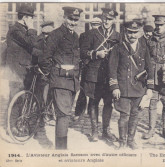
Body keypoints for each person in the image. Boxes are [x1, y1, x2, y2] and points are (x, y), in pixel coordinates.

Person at [39, 6, 83, 149]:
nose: (73, 22)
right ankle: (61, 151)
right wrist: (52, 75)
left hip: (71, 81)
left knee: (65, 114)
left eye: (76, 20)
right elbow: (45, 59)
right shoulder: (56, 34)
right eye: (70, 19)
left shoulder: (75, 36)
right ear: (64, 18)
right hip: (59, 80)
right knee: (64, 115)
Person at [77, 8, 121, 142]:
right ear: (102, 18)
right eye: (105, 18)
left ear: (113, 20)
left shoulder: (118, 36)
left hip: (109, 76)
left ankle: (106, 131)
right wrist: (96, 54)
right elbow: (82, 52)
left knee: (108, 103)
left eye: (110, 19)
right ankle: (94, 131)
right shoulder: (92, 34)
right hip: (94, 75)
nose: (107, 21)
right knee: (93, 102)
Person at [109, 21, 154, 149]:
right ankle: (122, 142)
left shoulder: (144, 47)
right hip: (123, 89)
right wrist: (114, 86)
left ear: (140, 33)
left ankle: (131, 140)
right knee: (124, 116)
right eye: (130, 32)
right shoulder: (118, 48)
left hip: (139, 88)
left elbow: (150, 68)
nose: (132, 35)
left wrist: (150, 88)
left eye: (135, 32)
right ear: (126, 32)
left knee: (135, 115)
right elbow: (112, 68)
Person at [5, 4, 39, 99]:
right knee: (17, 101)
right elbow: (31, 43)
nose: (32, 21)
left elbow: (31, 49)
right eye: (31, 18)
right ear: (25, 18)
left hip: (22, 71)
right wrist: (31, 28)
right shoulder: (15, 30)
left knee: (22, 100)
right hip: (16, 72)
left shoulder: (22, 30)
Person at [33, 21, 55, 144]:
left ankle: (49, 113)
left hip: (49, 73)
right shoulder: (39, 41)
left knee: (49, 96)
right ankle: (38, 126)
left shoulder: (53, 40)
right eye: (45, 33)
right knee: (41, 100)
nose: (47, 35)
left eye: (49, 33)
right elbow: (35, 54)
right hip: (41, 74)